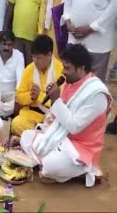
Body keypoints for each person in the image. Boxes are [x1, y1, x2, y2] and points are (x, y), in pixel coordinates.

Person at [20, 44, 112, 187]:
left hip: (80, 147)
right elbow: (59, 116)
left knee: (50, 165)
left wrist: (56, 100)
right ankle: (53, 166)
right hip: (62, 136)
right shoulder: (71, 82)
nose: (63, 71)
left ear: (81, 68)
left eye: (67, 68)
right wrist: (50, 112)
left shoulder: (97, 94)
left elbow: (74, 126)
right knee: (25, 136)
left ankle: (84, 171)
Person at [11, 35, 62, 136]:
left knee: (59, 130)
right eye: (33, 56)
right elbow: (19, 96)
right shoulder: (29, 69)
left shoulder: (60, 70)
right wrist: (31, 95)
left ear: (49, 55)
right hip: (31, 116)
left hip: (52, 118)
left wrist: (40, 96)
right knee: (16, 123)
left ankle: (37, 136)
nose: (35, 60)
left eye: (39, 57)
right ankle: (42, 136)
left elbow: (62, 101)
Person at [63, 0, 117, 82]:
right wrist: (67, 20)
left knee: (93, 83)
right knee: (71, 79)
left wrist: (92, 27)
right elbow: (68, 1)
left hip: (97, 42)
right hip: (73, 39)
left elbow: (114, 6)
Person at [0, 30, 25, 117]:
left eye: (9, 45)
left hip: (11, 94)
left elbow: (20, 80)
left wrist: (17, 99)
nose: (6, 48)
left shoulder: (19, 56)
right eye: (4, 44)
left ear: (13, 45)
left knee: (19, 103)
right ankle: (1, 111)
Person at [4, 0, 41, 66]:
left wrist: (40, 32)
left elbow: (43, 10)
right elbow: (10, 6)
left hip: (32, 36)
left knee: (30, 65)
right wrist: (5, 27)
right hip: (17, 33)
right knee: (16, 63)